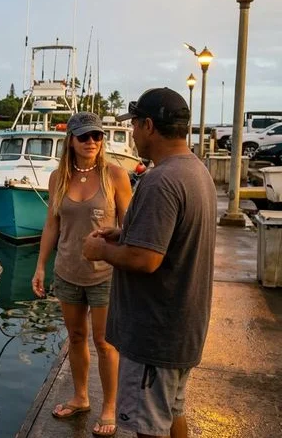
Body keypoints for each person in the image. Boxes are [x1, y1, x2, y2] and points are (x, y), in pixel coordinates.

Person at [82, 88, 217, 438]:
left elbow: (146, 259)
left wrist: (101, 252)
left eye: (135, 125)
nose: (132, 133)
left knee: (147, 427)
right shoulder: (196, 172)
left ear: (149, 125)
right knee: (173, 413)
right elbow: (167, 241)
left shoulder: (160, 180)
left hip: (154, 335)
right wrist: (124, 233)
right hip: (182, 327)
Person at [32, 112, 133, 437]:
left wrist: (116, 239)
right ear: (71, 141)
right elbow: (52, 224)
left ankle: (108, 407)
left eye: (97, 136)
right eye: (84, 136)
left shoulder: (115, 175)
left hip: (104, 274)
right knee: (75, 337)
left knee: (104, 343)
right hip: (67, 272)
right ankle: (80, 397)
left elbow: (130, 225)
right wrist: (40, 266)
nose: (91, 142)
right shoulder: (57, 178)